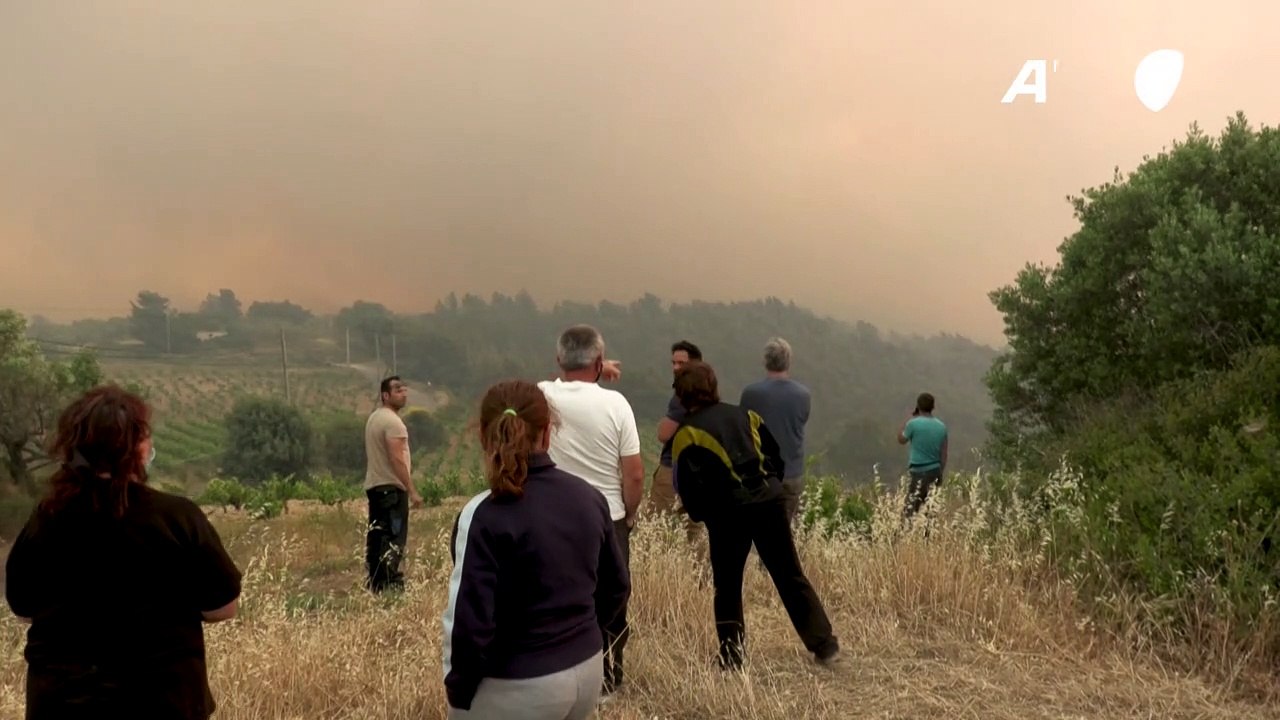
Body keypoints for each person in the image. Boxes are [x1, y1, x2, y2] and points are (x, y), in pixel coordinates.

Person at [4, 385, 242, 719]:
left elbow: (23, 607)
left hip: (61, 705)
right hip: (163, 703)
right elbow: (223, 607)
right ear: (138, 449)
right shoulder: (177, 517)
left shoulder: (46, 519)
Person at [442, 380, 631, 719]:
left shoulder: (482, 515)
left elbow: (470, 625)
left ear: (483, 436)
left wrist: (459, 692)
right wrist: (584, 636)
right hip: (586, 673)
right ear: (547, 433)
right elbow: (616, 587)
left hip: (515, 686)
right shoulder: (590, 498)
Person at [669, 361, 841, 670]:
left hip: (727, 513)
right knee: (789, 575)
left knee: (728, 584)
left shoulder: (687, 434)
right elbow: (775, 458)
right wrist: (768, 487)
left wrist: (704, 514)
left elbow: (688, 488)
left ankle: (732, 658)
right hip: (769, 502)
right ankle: (825, 645)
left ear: (681, 396)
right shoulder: (745, 415)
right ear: (713, 386)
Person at [537, 324, 643, 699]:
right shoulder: (617, 405)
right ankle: (607, 679)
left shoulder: (541, 396)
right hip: (607, 518)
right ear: (598, 362)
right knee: (611, 599)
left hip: (551, 518)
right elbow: (633, 473)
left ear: (557, 361)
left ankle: (558, 675)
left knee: (556, 597)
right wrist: (629, 516)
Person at [738, 337, 811, 524]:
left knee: (762, 532)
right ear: (789, 361)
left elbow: (743, 429)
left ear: (765, 361)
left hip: (761, 476)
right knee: (785, 534)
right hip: (792, 475)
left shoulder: (751, 394)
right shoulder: (803, 395)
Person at [364, 375, 424, 593]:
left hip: (376, 487)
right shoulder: (393, 422)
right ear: (385, 395)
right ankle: (390, 586)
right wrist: (412, 490)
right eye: (398, 389)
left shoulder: (374, 418)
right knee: (392, 539)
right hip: (391, 489)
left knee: (377, 536)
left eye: (404, 389)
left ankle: (375, 584)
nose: (403, 393)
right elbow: (396, 459)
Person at [649, 341, 702, 538]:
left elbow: (663, 434)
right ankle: (698, 569)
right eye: (673, 363)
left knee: (652, 524)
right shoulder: (707, 393)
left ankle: (652, 567)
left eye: (681, 363)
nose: (675, 368)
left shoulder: (682, 397)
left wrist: (664, 422)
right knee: (694, 531)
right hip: (700, 472)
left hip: (673, 469)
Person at [897, 392, 948, 518]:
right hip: (935, 470)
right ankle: (927, 536)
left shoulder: (913, 424)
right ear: (933, 407)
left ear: (918, 406)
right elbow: (944, 453)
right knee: (930, 510)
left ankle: (905, 535)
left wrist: (905, 422)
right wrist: (940, 471)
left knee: (910, 509)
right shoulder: (941, 427)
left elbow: (901, 440)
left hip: (918, 471)